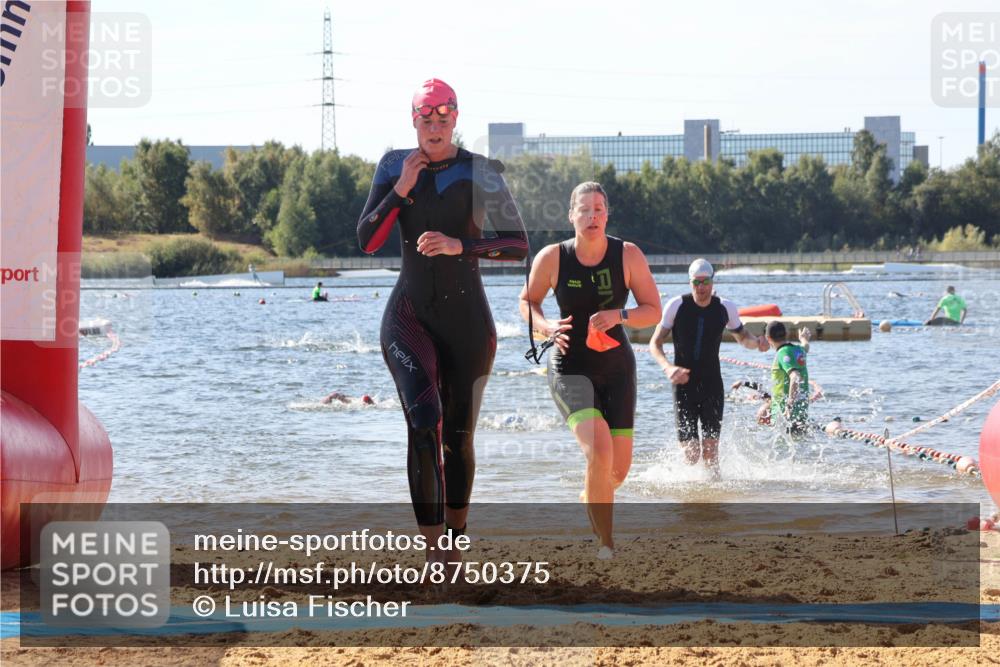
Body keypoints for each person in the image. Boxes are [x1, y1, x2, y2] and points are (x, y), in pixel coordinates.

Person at [357, 78, 528, 565]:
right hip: (408, 316)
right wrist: (400, 191)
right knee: (423, 422)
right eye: (425, 119)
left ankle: (455, 543)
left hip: (468, 323)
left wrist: (461, 245)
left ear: (456, 119)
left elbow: (517, 246)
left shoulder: (481, 172)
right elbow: (367, 240)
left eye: (443, 118)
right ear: (413, 121)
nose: (434, 127)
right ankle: (434, 556)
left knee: (458, 437)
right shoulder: (394, 166)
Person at [519, 182, 661, 560]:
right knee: (599, 452)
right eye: (584, 209)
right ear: (571, 216)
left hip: (616, 368)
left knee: (616, 472)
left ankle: (591, 495)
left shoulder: (627, 255)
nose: (592, 216)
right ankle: (606, 544)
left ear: (607, 215)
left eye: (599, 209)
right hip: (569, 367)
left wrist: (620, 315)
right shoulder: (553, 257)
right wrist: (547, 328)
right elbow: (528, 302)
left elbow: (653, 310)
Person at [648, 259, 769, 477]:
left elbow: (743, 337)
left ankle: (714, 500)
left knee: (711, 453)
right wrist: (667, 368)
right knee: (692, 454)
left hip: (712, 385)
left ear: (713, 282)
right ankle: (689, 499)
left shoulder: (725, 307)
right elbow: (655, 343)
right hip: (683, 387)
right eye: (696, 283)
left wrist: (757, 343)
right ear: (690, 282)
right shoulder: (677, 305)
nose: (701, 288)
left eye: (706, 282)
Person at [760, 322, 811, 435]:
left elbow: (795, 377)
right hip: (801, 411)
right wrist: (803, 339)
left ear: (768, 338)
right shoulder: (799, 350)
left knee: (781, 447)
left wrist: (789, 405)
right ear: (786, 334)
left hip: (784, 413)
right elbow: (806, 347)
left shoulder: (782, 353)